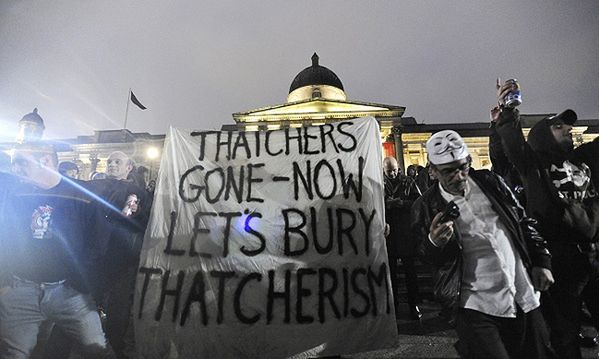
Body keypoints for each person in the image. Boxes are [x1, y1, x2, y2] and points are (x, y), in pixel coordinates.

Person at [411, 130, 556, 358]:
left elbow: (522, 221)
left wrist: (542, 260)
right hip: (474, 304)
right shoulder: (425, 206)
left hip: (521, 290)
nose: (459, 176)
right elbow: (423, 255)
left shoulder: (491, 182)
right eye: (449, 171)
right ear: (432, 171)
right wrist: (434, 243)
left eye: (463, 167)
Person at [494, 79, 599, 359]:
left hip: (594, 253)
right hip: (560, 258)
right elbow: (511, 139)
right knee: (565, 334)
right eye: (558, 126)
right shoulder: (533, 164)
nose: (569, 129)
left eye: (568, 126)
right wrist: (509, 107)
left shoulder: (585, 158)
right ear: (541, 136)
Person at [0, 143, 115, 358]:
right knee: (12, 353)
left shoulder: (82, 194)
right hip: (21, 290)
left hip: (69, 293)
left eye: (21, 162)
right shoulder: (15, 194)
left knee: (98, 350)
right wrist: (5, 282)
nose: (15, 168)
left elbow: (99, 242)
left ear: (45, 161)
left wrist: (81, 282)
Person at [86, 151, 151, 358]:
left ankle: (114, 346)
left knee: (118, 307)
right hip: (95, 255)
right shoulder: (95, 186)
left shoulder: (135, 191)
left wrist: (134, 212)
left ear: (128, 168)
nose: (112, 165)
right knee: (86, 303)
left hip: (120, 256)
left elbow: (137, 217)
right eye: (110, 162)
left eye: (117, 162)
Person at [383, 157, 422, 320]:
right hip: (389, 233)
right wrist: (387, 204)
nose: (392, 173)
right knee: (390, 274)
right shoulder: (380, 183)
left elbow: (417, 201)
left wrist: (401, 203)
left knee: (410, 272)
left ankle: (414, 305)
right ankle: (394, 306)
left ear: (398, 168)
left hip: (405, 231)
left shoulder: (408, 181)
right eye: (388, 171)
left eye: (393, 170)